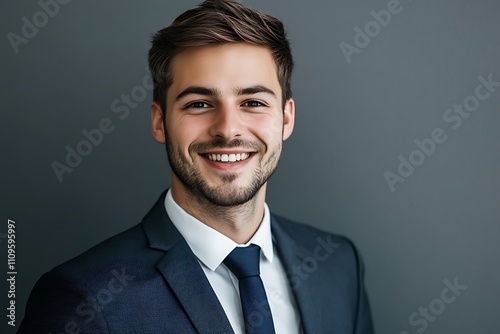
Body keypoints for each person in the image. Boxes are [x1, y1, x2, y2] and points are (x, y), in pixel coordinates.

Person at [18, 1, 373, 333]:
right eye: (200, 103)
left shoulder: (339, 265)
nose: (228, 128)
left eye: (252, 101)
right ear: (160, 122)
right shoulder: (82, 299)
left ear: (286, 118)